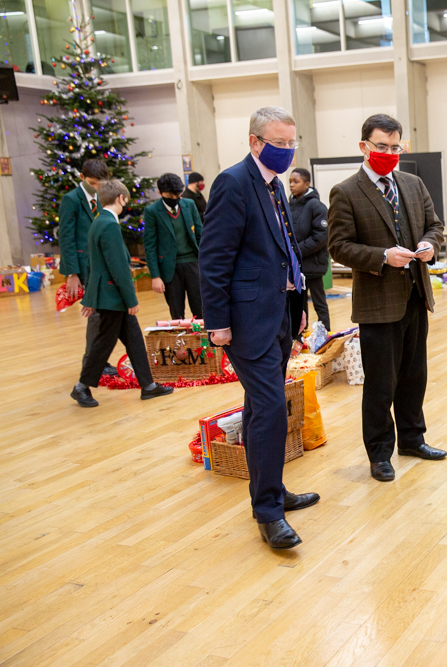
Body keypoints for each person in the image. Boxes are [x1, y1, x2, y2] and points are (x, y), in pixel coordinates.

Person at [199, 106, 320, 550]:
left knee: (259, 406)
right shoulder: (233, 183)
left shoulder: (275, 187)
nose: (286, 151)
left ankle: (272, 488)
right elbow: (213, 259)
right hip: (247, 321)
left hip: (280, 312)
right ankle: (267, 512)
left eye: (292, 144)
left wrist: (299, 301)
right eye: (278, 143)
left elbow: (286, 251)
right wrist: (218, 323)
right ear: (254, 141)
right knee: (270, 408)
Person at [328, 113, 446, 483]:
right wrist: (381, 256)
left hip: (415, 296)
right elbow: (339, 246)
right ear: (364, 146)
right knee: (380, 383)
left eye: (396, 147)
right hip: (377, 302)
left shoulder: (412, 184)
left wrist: (429, 245)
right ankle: (379, 454)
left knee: (415, 376)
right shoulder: (346, 192)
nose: (390, 153)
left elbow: (435, 226)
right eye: (382, 146)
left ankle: (412, 439)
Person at [70, 180, 174, 407]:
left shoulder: (99, 222)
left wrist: (90, 297)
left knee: (134, 340)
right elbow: (118, 268)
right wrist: (131, 299)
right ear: (120, 198)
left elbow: (92, 265)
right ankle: (81, 387)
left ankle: (148, 386)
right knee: (103, 344)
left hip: (107, 294)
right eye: (125, 199)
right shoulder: (109, 225)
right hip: (113, 296)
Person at [59, 159, 118, 377]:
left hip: (102, 264)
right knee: (95, 315)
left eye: (100, 184)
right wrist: (71, 273)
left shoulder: (104, 198)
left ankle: (98, 361)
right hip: (84, 267)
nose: (95, 188)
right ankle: (92, 362)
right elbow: (66, 238)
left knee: (104, 315)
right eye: (92, 183)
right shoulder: (71, 200)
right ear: (82, 177)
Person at [143, 173, 203, 319]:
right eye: (170, 196)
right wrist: (155, 276)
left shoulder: (189, 205)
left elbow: (200, 236)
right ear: (160, 193)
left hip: (193, 264)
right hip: (170, 269)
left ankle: (203, 341)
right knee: (176, 313)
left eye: (178, 195)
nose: (175, 199)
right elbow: (150, 246)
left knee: (200, 309)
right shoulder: (152, 211)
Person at [288, 167, 331, 332]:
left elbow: (321, 236)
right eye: (290, 181)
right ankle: (302, 335)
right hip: (296, 265)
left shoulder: (316, 206)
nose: (292, 185)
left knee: (319, 302)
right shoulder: (289, 204)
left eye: (296, 182)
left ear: (307, 184)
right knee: (299, 303)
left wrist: (297, 250)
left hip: (313, 264)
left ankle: (325, 335)